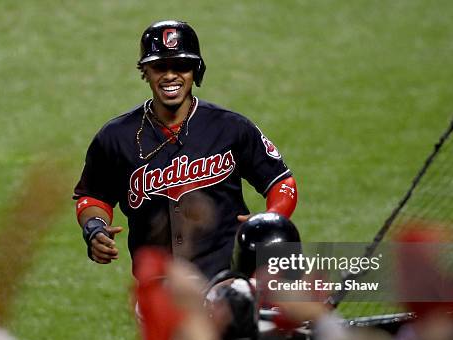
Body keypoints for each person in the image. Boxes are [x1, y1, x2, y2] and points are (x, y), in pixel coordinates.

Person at [73, 20, 298, 278]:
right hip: (158, 288)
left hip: (227, 279)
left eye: (181, 66)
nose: (170, 75)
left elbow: (281, 182)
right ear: (145, 71)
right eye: (160, 67)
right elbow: (94, 196)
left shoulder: (230, 127)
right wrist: (94, 227)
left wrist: (270, 220)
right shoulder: (115, 137)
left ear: (195, 70)